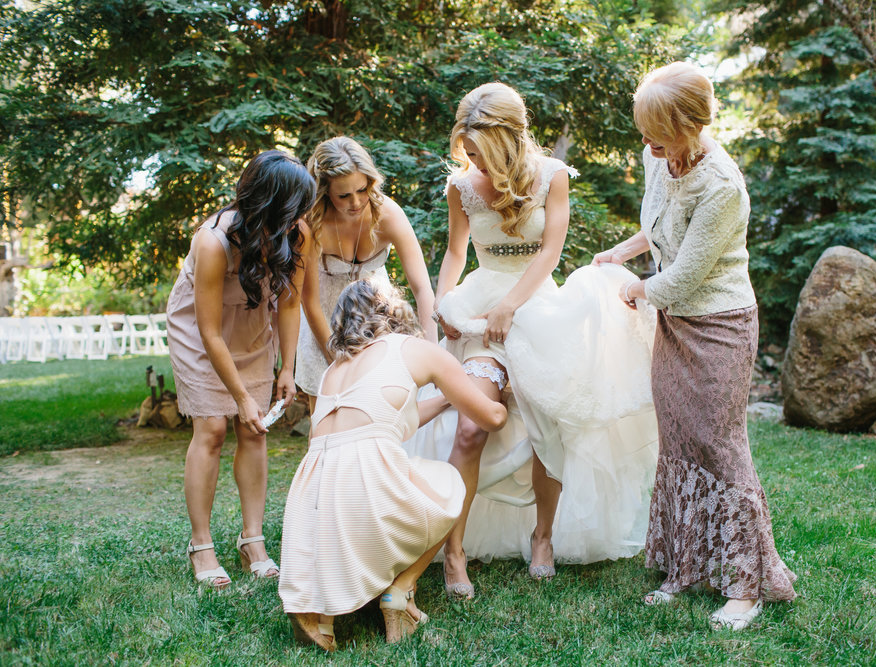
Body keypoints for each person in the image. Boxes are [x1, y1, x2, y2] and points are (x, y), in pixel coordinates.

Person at [404, 82, 659, 599]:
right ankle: (453, 553)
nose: (471, 159)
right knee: (471, 428)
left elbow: (550, 250)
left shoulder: (552, 177)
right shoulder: (461, 187)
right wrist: (443, 305)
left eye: (478, 150)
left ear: (506, 140)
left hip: (538, 305)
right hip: (480, 309)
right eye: (467, 151)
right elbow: (455, 255)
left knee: (548, 424)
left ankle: (543, 536)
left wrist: (511, 306)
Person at [593, 62, 797, 630]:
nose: (645, 143)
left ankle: (746, 586)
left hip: (718, 326)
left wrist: (636, 288)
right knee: (679, 442)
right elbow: (661, 229)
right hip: (674, 324)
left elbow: (683, 277)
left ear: (687, 125)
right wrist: (621, 253)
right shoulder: (656, 155)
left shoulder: (722, 185)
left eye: (655, 130)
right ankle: (685, 567)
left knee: (719, 445)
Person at [278, 281, 507, 650]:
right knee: (448, 484)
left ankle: (321, 614)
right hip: (367, 490)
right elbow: (492, 419)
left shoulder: (333, 370)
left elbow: (389, 423)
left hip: (313, 497)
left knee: (353, 488)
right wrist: (501, 398)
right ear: (390, 309)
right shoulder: (412, 348)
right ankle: (400, 591)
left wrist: (449, 400)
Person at [166, 150, 315, 589]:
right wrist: (243, 397)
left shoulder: (296, 233)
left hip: (252, 328)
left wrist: (287, 367)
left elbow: (289, 304)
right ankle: (201, 544)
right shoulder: (212, 242)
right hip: (201, 333)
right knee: (211, 428)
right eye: (292, 211)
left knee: (254, 431)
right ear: (267, 205)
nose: (299, 220)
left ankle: (253, 540)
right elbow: (210, 332)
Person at [296, 137, 436, 408]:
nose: (357, 202)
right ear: (325, 191)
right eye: (344, 196)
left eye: (362, 190)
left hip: (377, 325)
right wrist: (336, 359)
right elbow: (308, 301)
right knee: (326, 420)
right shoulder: (311, 223)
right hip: (323, 326)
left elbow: (421, 288)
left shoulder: (388, 214)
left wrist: (432, 350)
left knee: (382, 417)